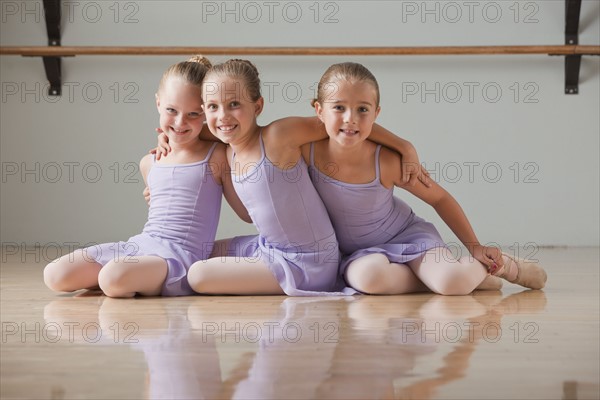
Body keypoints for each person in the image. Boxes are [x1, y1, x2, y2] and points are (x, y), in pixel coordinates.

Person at [156, 59, 427, 296]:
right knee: (200, 253)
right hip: (270, 247)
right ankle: (146, 274)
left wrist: (405, 147)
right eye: (213, 107)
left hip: (309, 261)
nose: (223, 116)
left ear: (258, 106)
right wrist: (164, 140)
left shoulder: (279, 136)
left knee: (198, 275)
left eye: (235, 104)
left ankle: (408, 277)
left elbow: (341, 123)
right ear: (205, 111)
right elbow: (187, 132)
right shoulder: (229, 150)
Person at [305, 62, 547, 295]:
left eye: (362, 109)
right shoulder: (306, 151)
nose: (351, 118)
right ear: (319, 110)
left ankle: (497, 265)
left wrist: (475, 247)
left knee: (454, 284)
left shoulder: (386, 162)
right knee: (367, 279)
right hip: (360, 255)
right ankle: (462, 277)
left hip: (407, 238)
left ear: (376, 113)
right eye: (339, 107)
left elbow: (439, 198)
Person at [43, 56, 250, 298]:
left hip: (179, 256)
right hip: (141, 245)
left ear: (207, 112)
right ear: (158, 102)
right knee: (55, 275)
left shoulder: (217, 156)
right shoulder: (149, 162)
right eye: (171, 110)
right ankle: (133, 277)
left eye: (194, 114)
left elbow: (246, 213)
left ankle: (135, 278)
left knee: (113, 278)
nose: (181, 122)